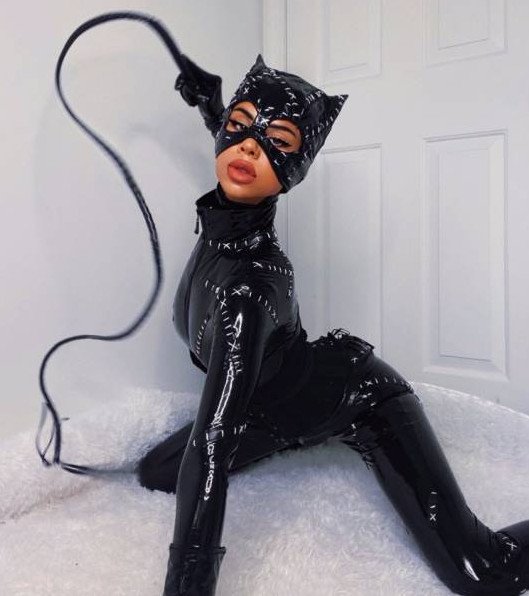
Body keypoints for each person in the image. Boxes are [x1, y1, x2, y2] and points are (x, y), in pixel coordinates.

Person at [137, 53, 529, 596]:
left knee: (482, 571)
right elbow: (241, 149)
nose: (248, 146)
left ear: (295, 171)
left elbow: (214, 443)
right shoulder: (225, 226)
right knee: (156, 474)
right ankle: (296, 430)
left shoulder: (248, 289)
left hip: (361, 400)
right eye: (239, 126)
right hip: (270, 407)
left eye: (278, 140)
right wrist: (213, 107)